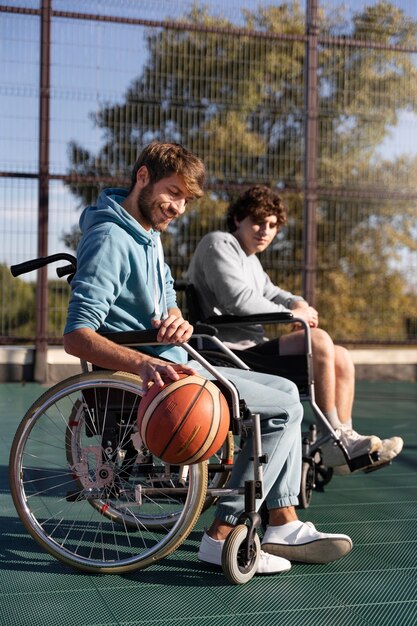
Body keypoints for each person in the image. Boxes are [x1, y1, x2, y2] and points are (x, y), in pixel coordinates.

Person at [64, 142, 352, 575]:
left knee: (287, 393)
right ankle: (223, 533)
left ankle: (281, 521)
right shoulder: (109, 238)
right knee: (283, 408)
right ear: (142, 177)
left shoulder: (147, 236)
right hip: (158, 372)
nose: (178, 206)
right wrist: (145, 364)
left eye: (185, 198)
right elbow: (77, 335)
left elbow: (166, 302)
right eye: (172, 192)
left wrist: (176, 318)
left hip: (180, 357)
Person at [186, 185, 403, 473]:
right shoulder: (219, 243)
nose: (265, 231)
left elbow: (271, 291)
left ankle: (343, 438)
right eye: (258, 222)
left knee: (340, 356)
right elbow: (236, 300)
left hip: (248, 350)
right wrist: (292, 313)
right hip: (226, 353)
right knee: (320, 341)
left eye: (272, 225)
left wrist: (295, 300)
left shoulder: (250, 259)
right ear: (238, 218)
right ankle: (334, 441)